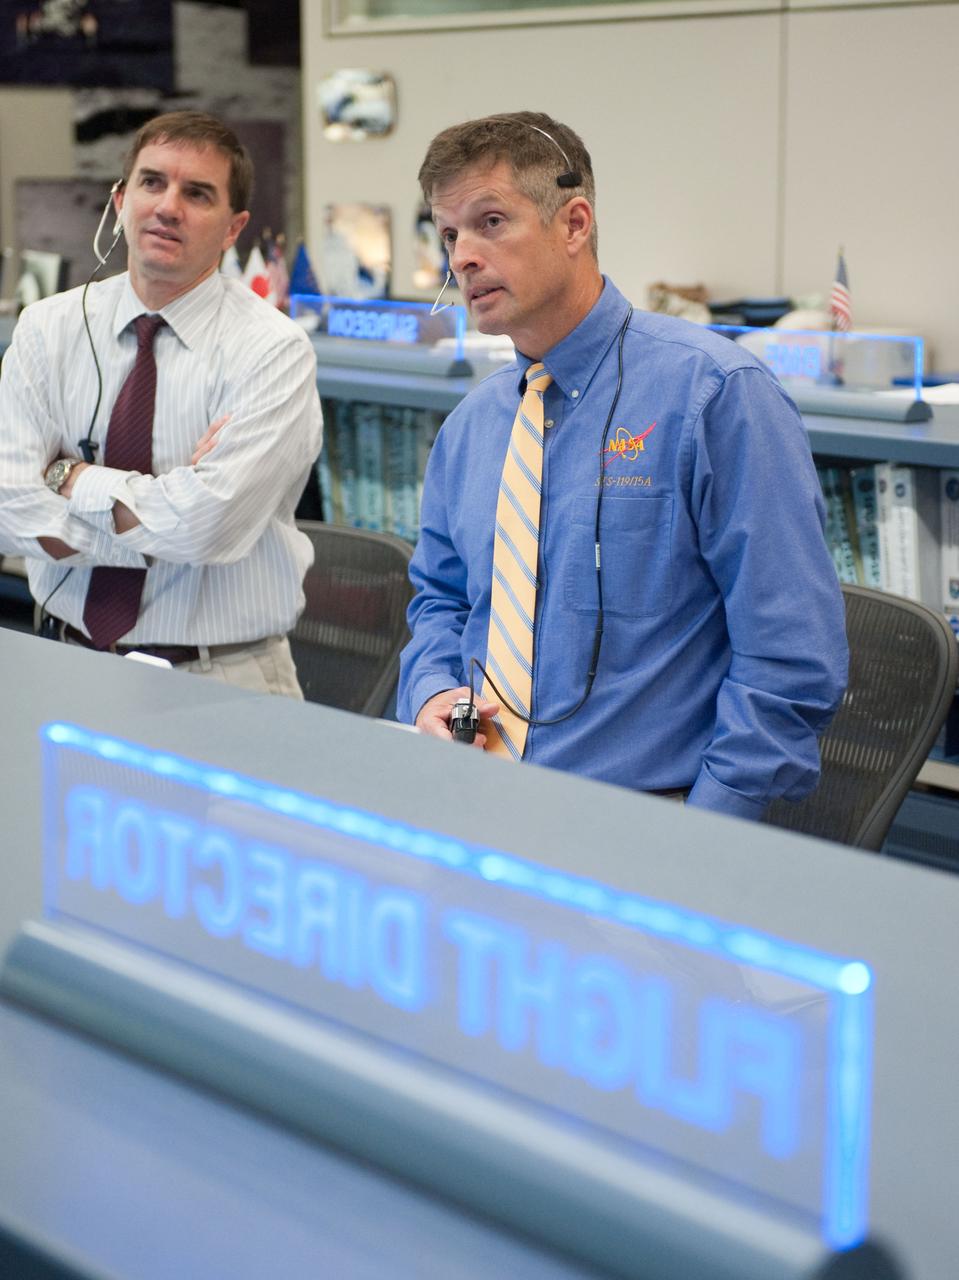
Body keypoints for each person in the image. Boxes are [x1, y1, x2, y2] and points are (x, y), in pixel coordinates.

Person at [396, 111, 848, 820]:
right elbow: (439, 601)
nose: (461, 257)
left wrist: (704, 830)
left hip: (645, 822)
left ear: (574, 224)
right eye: (449, 234)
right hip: (474, 804)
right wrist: (429, 690)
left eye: (490, 222)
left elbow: (790, 657)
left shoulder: (713, 395)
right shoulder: (471, 428)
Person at [0, 110, 321, 696]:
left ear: (233, 227)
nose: (168, 207)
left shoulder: (273, 350)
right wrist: (160, 516)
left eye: (198, 193)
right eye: (152, 182)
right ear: (120, 200)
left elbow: (208, 527)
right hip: (63, 661)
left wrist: (68, 477)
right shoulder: (48, 328)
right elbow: (7, 504)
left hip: (221, 677)